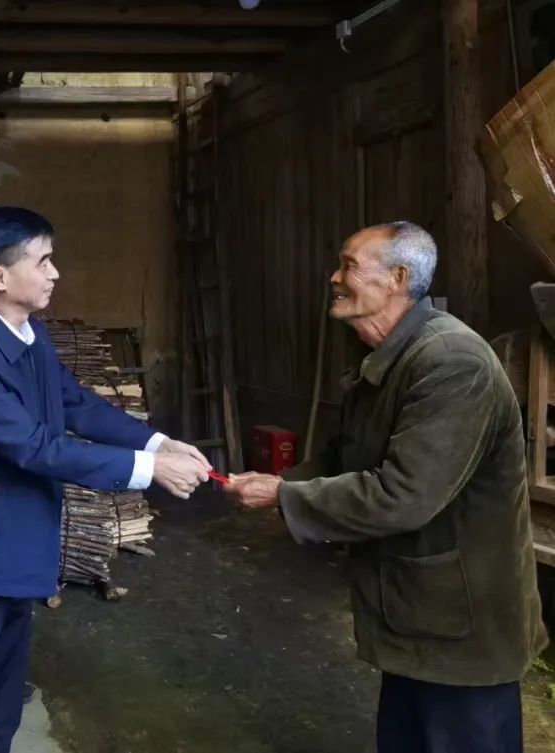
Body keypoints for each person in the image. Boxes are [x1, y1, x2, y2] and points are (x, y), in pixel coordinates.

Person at [228, 222, 548, 753]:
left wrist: (283, 498)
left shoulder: (451, 362)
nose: (334, 278)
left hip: (462, 628)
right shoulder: (392, 357)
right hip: (416, 615)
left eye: (349, 266)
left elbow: (403, 495)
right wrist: (281, 482)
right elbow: (346, 454)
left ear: (398, 278)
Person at [0, 206, 212, 753]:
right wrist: (147, 471)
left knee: (3, 693)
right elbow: (33, 446)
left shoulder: (28, 332)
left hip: (16, 537)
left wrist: (156, 442)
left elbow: (73, 402)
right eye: (43, 261)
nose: (55, 273)